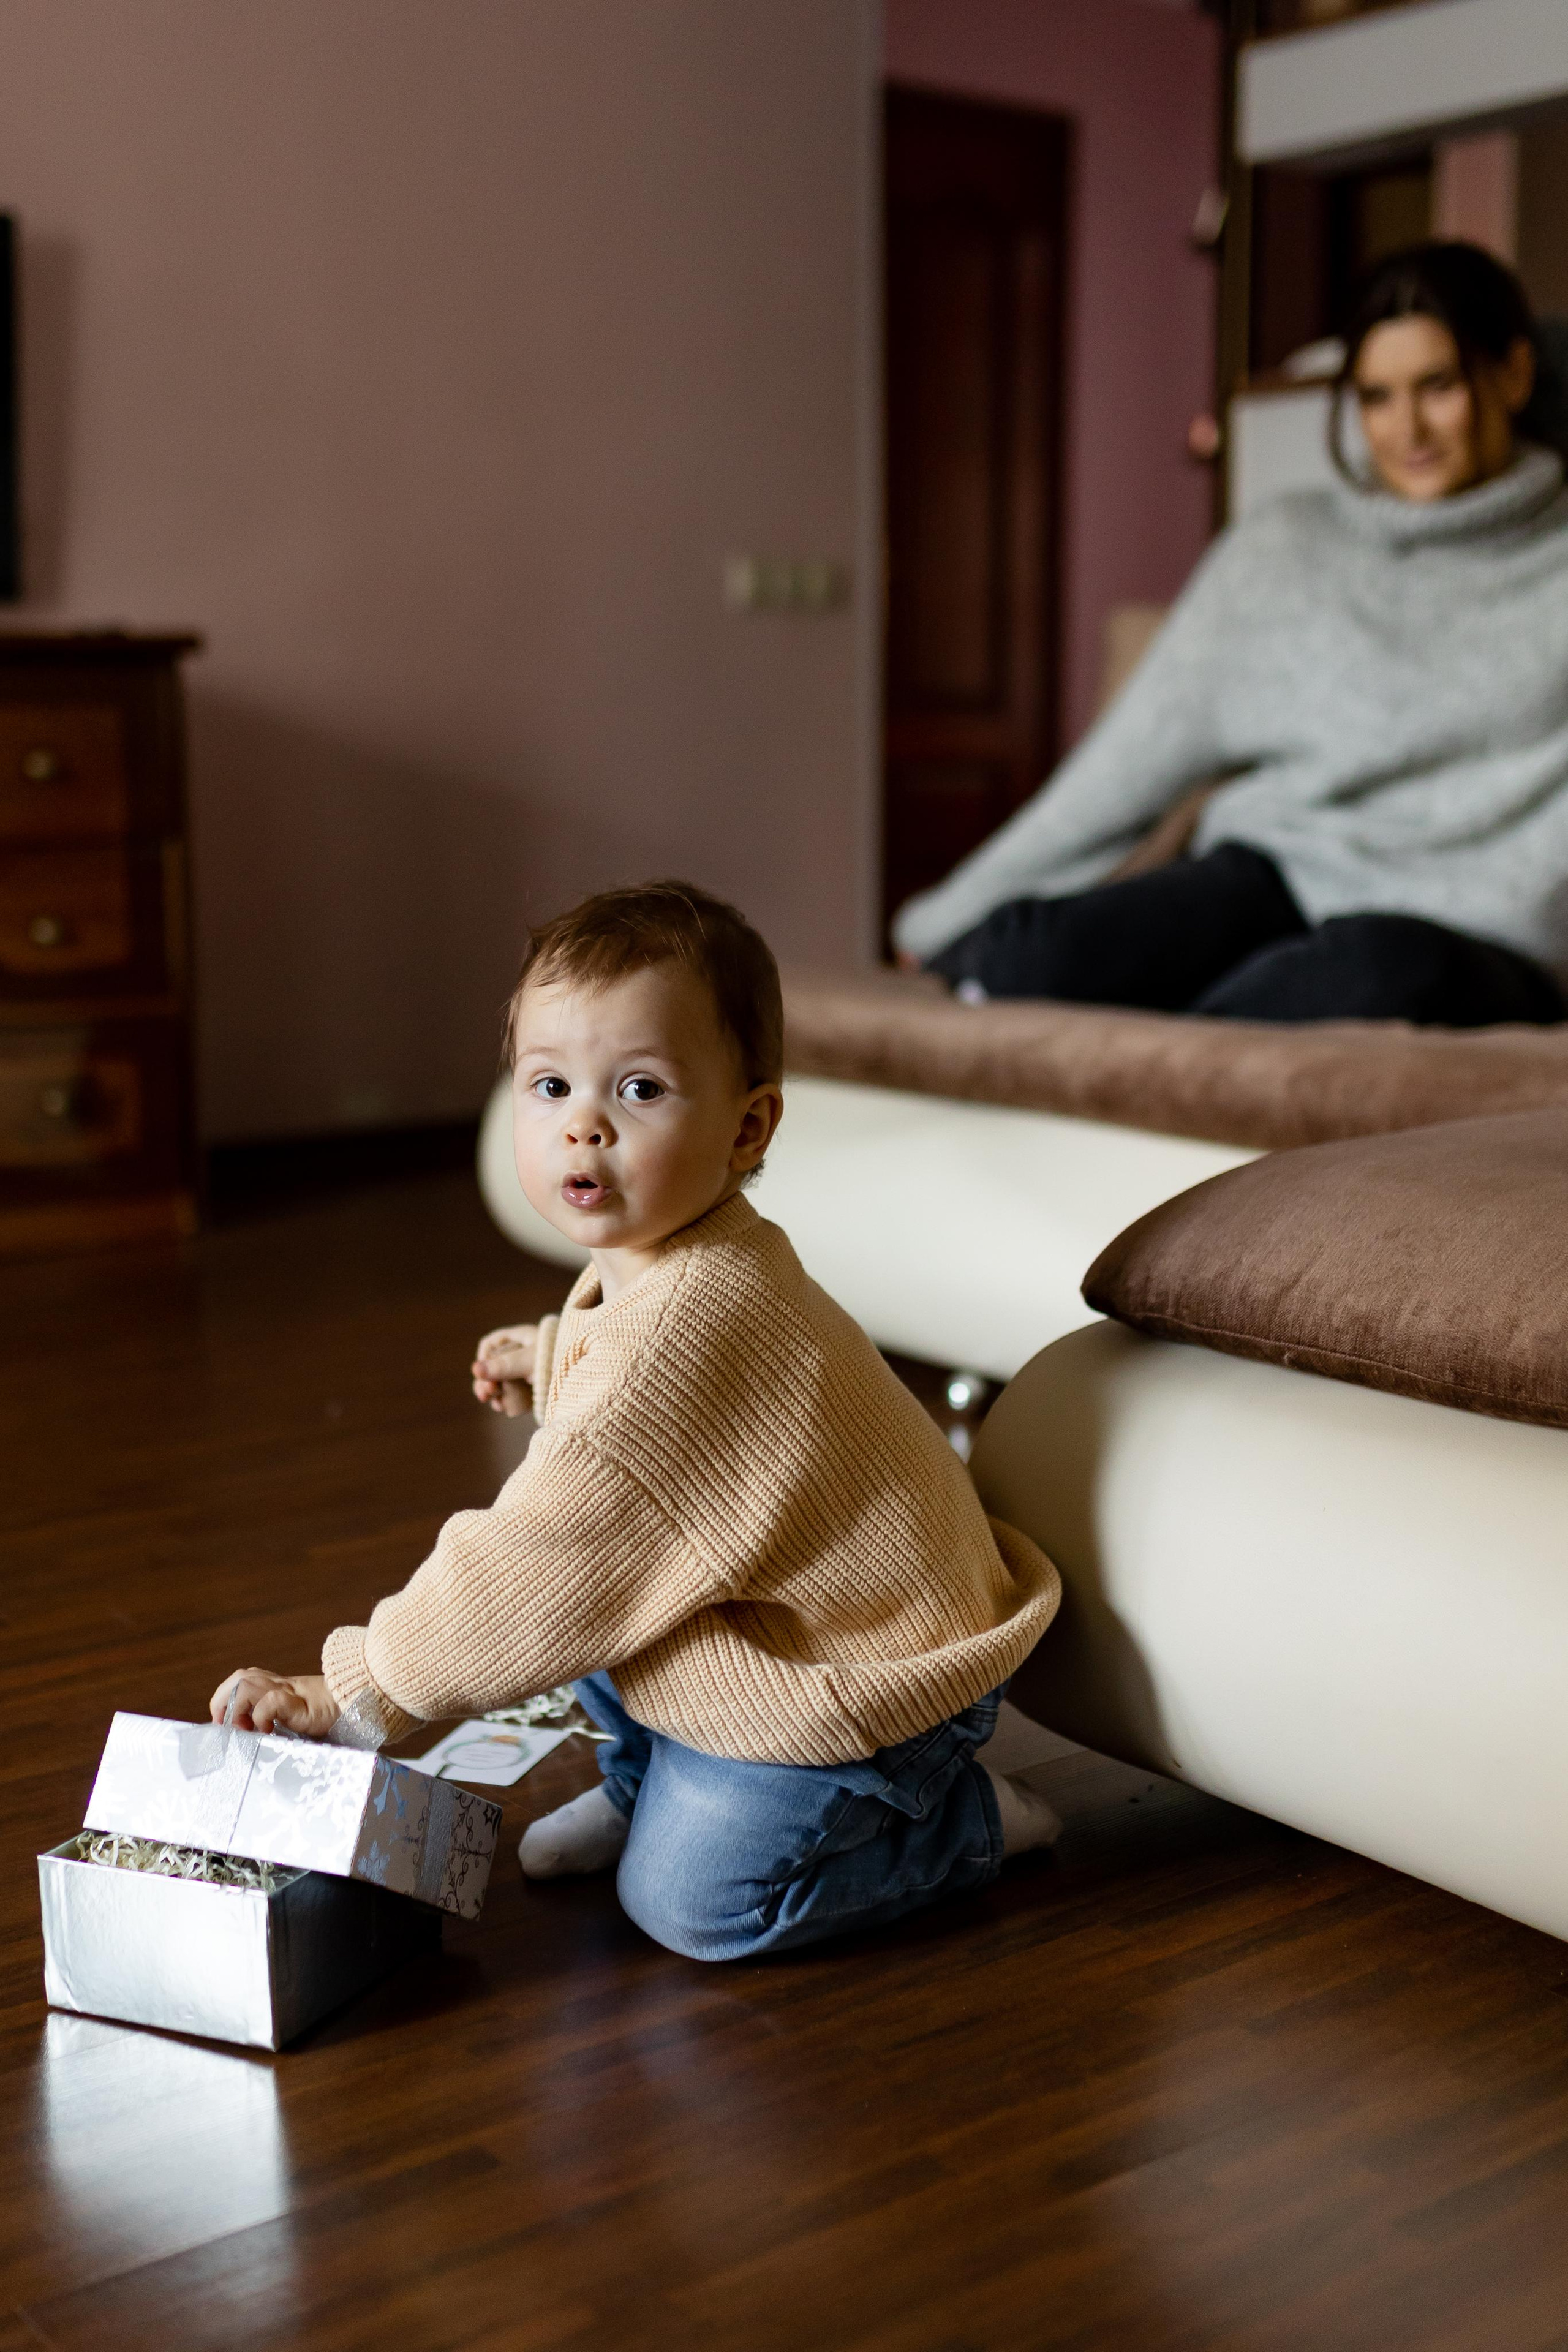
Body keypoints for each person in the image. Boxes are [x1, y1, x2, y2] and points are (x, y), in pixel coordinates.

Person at [211, 882, 1061, 1961]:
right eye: (551, 1084)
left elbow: (533, 1560)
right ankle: (648, 1776)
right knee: (609, 1604)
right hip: (774, 1622)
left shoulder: (686, 1334)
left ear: (747, 1127)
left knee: (692, 1905)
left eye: (641, 1089)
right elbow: (678, 1420)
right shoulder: (689, 1261)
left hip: (867, 1680)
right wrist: (559, 1356)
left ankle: (962, 1822)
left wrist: (358, 1692)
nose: (585, 1123)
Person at [894, 241, 1568, 1028]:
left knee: (1367, 976)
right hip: (1276, 873)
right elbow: (1123, 768)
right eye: (1375, 397)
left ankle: (1166, 1065)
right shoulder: (1283, 547)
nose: (1407, 428)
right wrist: (941, 918)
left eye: (1438, 387)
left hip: (1473, 930)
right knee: (1028, 957)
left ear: (1514, 376)